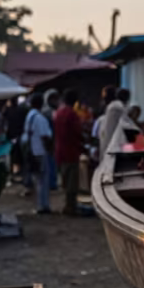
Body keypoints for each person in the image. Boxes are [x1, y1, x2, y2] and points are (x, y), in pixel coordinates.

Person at [53, 88, 84, 216]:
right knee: (72, 182)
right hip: (71, 150)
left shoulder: (58, 113)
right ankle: (71, 207)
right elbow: (77, 132)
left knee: (65, 180)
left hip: (60, 150)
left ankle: (67, 205)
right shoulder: (71, 114)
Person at [22, 92, 53, 215]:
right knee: (43, 180)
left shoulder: (29, 116)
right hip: (40, 150)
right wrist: (49, 149)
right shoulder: (40, 118)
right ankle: (43, 206)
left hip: (31, 150)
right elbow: (45, 136)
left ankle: (41, 205)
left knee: (37, 180)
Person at [99, 87, 130, 156]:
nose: (103, 98)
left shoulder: (116, 107)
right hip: (111, 143)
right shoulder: (114, 107)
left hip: (112, 143)